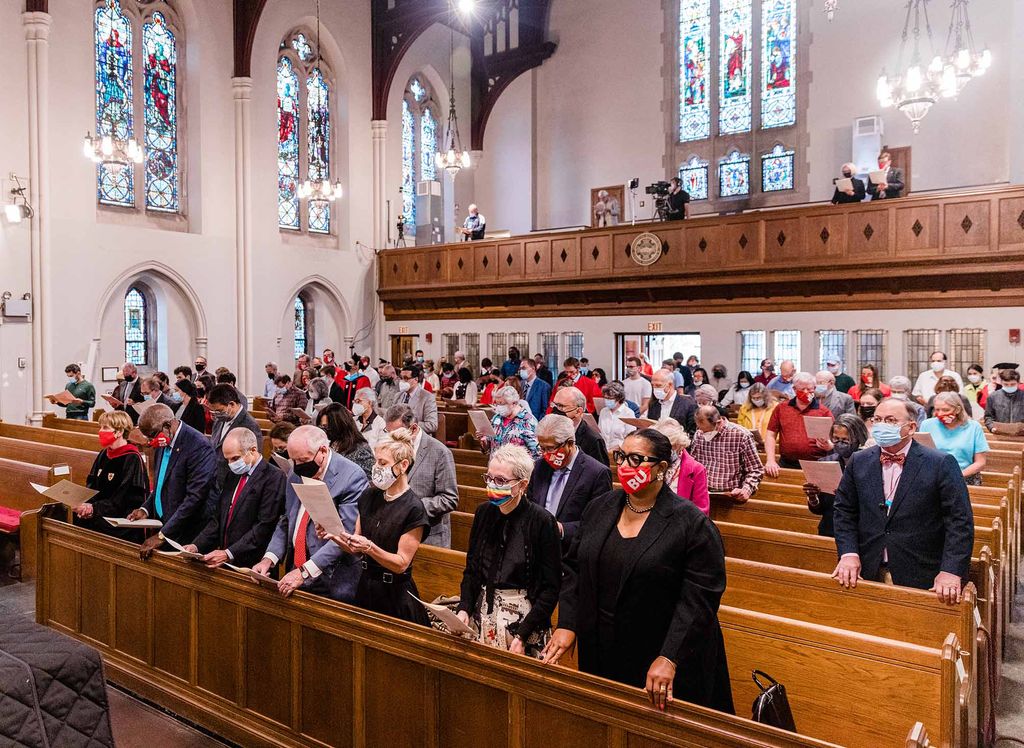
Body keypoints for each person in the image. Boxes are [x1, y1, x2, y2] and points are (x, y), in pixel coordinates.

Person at [542, 430, 734, 714]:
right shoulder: (600, 508)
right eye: (621, 456)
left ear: (662, 468)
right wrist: (568, 622)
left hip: (660, 654)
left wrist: (670, 657)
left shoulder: (690, 523)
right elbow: (574, 568)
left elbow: (700, 597)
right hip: (603, 647)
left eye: (636, 459)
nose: (625, 466)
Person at [832, 399, 974, 603]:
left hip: (922, 571)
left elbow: (960, 522)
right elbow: (844, 511)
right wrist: (848, 553)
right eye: (877, 419)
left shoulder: (940, 463)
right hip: (867, 567)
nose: (881, 425)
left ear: (911, 427)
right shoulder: (859, 460)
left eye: (890, 420)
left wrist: (951, 570)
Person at [456, 444, 562, 657]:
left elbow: (551, 588)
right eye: (489, 478)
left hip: (524, 621)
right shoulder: (484, 512)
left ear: (522, 485)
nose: (493, 485)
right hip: (484, 614)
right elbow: (472, 570)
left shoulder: (541, 521)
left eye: (501, 481)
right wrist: (464, 607)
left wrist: (523, 634)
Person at [320, 428, 431, 625]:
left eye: (383, 463)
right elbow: (356, 547)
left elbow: (401, 563)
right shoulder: (369, 496)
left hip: (394, 593)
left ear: (403, 465)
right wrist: (334, 535)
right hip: (366, 587)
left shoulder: (413, 507)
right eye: (376, 462)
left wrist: (369, 547)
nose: (376, 468)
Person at [252, 426, 369, 602]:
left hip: (331, 577)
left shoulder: (351, 476)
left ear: (322, 450)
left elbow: (345, 535)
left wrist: (305, 571)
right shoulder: (296, 470)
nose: (298, 467)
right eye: (293, 461)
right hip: (296, 568)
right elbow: (287, 519)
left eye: (303, 460)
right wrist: (269, 558)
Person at [183, 428, 287, 568]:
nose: (231, 464)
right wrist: (196, 545)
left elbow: (264, 526)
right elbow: (218, 519)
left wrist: (229, 553)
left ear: (253, 450)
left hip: (253, 563)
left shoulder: (274, 477)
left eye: (235, 458)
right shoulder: (233, 474)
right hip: (226, 560)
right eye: (227, 460)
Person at [129, 404, 218, 557]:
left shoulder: (198, 446)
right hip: (167, 523)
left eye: (153, 436)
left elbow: (195, 498)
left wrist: (162, 535)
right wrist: (145, 509)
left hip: (188, 530)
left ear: (168, 425)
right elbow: (161, 484)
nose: (151, 442)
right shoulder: (164, 441)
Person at [529, 415, 612, 552]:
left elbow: (599, 522)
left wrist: (561, 529)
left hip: (571, 553)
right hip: (538, 549)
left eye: (550, 449)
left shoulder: (597, 473)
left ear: (569, 443)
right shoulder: (539, 466)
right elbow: (531, 503)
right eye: (542, 448)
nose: (545, 454)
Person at [384, 405, 458, 548]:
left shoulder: (440, 452)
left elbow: (450, 499)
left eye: (397, 433)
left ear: (413, 429)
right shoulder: (392, 448)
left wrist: (412, 507)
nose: (392, 439)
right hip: (395, 532)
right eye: (388, 433)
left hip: (428, 535)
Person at [71, 410, 148, 539]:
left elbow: (123, 498)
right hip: (102, 510)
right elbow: (92, 484)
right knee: (69, 517)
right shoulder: (104, 454)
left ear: (119, 432)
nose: (100, 431)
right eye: (100, 427)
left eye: (105, 428)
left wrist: (94, 508)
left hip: (122, 517)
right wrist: (85, 505)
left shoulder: (132, 458)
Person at [802, 414, 869, 537]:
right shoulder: (825, 463)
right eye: (836, 439)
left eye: (845, 440)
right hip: (830, 529)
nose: (839, 444)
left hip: (859, 532)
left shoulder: (870, 465)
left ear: (859, 439)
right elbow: (820, 509)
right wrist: (813, 498)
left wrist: (849, 497)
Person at [689, 404, 764, 504]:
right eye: (700, 429)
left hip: (730, 495)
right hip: (703, 493)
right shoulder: (699, 434)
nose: (702, 433)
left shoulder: (741, 435)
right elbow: (693, 463)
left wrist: (746, 489)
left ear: (718, 423)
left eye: (706, 431)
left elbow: (756, 469)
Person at [764, 372, 834, 475]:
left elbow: (833, 440)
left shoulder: (824, 411)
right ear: (794, 389)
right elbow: (770, 434)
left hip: (816, 464)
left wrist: (828, 446)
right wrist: (770, 460)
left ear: (814, 388)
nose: (806, 392)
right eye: (802, 389)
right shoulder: (782, 408)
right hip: (787, 463)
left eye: (809, 389)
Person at [920, 392, 989, 486]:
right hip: (934, 477)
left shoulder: (973, 427)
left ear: (957, 409)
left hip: (964, 477)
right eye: (937, 410)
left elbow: (980, 462)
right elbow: (921, 455)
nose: (940, 414)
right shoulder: (927, 425)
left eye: (945, 410)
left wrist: (956, 476)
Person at [654, 418, 710, 514]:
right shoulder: (652, 463)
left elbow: (701, 510)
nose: (665, 451)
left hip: (681, 523)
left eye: (670, 447)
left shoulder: (696, 469)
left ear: (679, 444)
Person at [552, 386, 609, 467]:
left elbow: (601, 474)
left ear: (578, 411)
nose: (556, 410)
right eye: (554, 405)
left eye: (561, 406)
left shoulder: (593, 440)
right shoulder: (553, 431)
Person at [478, 386, 540, 459]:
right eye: (497, 404)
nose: (498, 407)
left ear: (514, 403)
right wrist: (484, 441)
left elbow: (537, 453)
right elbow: (488, 449)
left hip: (515, 467)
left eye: (502, 404)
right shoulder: (496, 418)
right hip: (495, 466)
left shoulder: (528, 421)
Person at [317, 403, 375, 480]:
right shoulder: (328, 444)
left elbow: (367, 482)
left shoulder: (361, 450)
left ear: (340, 425)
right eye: (321, 427)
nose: (324, 430)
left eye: (326, 427)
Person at [397, 364, 438, 435]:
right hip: (398, 436)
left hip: (416, 437)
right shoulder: (398, 395)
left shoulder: (427, 397)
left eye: (406, 378)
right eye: (401, 378)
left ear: (416, 379)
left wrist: (409, 423)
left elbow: (432, 425)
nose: (403, 381)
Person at [598, 381, 636, 451]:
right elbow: (600, 433)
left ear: (619, 398)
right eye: (605, 398)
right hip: (604, 451)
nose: (607, 400)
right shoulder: (603, 411)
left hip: (620, 452)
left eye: (610, 398)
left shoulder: (628, 413)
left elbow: (630, 438)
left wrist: (619, 447)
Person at [984, 368, 1024, 433]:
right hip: (1000, 434)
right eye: (1006, 384)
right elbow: (988, 417)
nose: (1009, 386)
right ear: (1001, 382)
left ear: (1018, 382)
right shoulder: (993, 397)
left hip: (1021, 435)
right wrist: (991, 427)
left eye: (1012, 384)